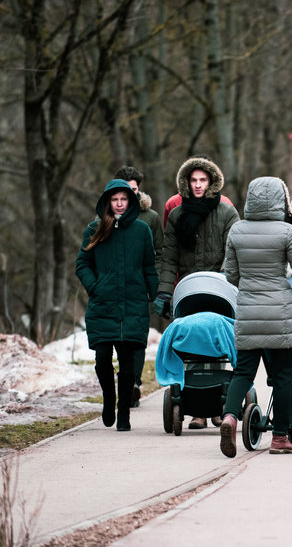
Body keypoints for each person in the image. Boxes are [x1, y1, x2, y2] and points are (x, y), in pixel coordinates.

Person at [218, 177, 292, 458]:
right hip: (279, 314)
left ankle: (229, 418)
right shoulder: (287, 232)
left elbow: (230, 275)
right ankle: (280, 437)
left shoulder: (237, 231)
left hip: (248, 311)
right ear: (280, 201)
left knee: (243, 373)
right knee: (282, 376)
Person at [154, 156, 240, 429]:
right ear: (187, 183)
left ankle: (216, 407)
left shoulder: (226, 213)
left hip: (219, 289)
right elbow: (170, 258)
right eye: (194, 180)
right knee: (193, 344)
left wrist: (226, 282)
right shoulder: (178, 216)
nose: (199, 185)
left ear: (212, 182)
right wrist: (165, 293)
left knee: (216, 343)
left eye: (203, 180)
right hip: (191, 289)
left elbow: (233, 251)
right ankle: (198, 411)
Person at [75, 179, 158, 431]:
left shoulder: (142, 230)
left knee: (128, 363)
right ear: (107, 202)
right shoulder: (95, 229)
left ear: (131, 201)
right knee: (102, 359)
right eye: (115, 199)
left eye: (124, 199)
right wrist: (95, 286)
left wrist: (158, 296)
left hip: (133, 304)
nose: (120, 203)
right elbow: (82, 264)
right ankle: (108, 399)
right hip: (104, 304)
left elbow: (149, 267)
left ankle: (124, 412)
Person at [114, 166, 163, 408]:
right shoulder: (105, 217)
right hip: (112, 291)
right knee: (118, 338)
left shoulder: (150, 218)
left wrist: (154, 285)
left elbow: (160, 253)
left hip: (140, 288)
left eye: (133, 190)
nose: (129, 197)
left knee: (137, 338)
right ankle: (124, 380)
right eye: (124, 191)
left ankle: (133, 384)